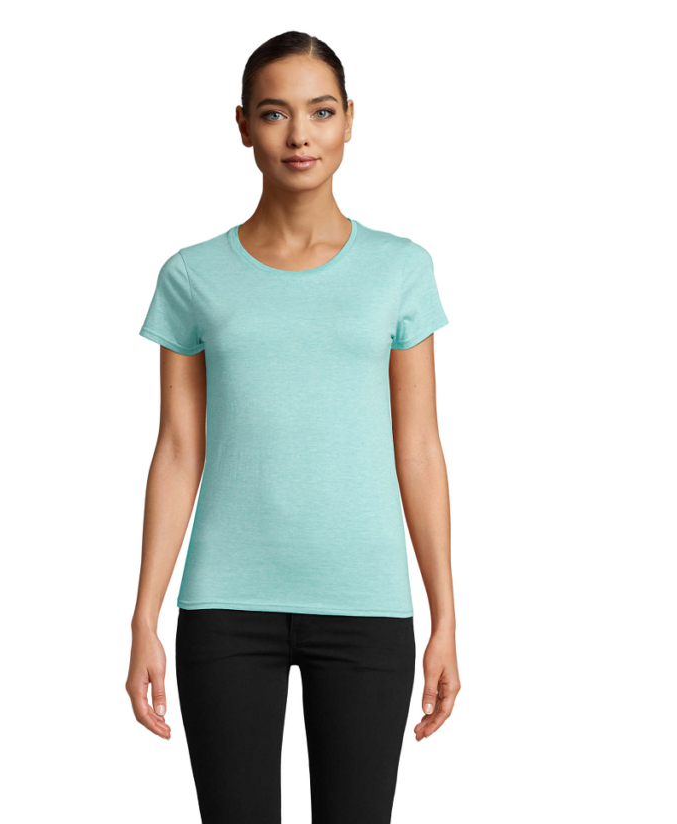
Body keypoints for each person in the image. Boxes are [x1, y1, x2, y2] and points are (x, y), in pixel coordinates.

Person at [126, 30, 461, 824]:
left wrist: (445, 615)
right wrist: (144, 616)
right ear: (243, 125)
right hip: (225, 608)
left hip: (366, 603)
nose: (300, 135)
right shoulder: (193, 275)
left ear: (350, 120)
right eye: (276, 113)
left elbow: (419, 448)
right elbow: (178, 450)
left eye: (321, 111)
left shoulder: (400, 269)